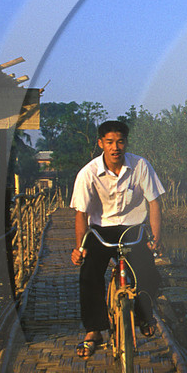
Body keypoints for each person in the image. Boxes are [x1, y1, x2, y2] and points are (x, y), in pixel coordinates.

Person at [69, 119, 165, 357]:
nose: (115, 147)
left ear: (126, 143)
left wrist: (155, 238)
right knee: (89, 274)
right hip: (100, 230)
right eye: (109, 142)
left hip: (133, 229)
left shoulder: (141, 166)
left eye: (120, 142)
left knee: (148, 272)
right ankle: (94, 330)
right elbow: (81, 214)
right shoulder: (88, 173)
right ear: (101, 143)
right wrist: (79, 248)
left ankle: (144, 317)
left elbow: (154, 204)